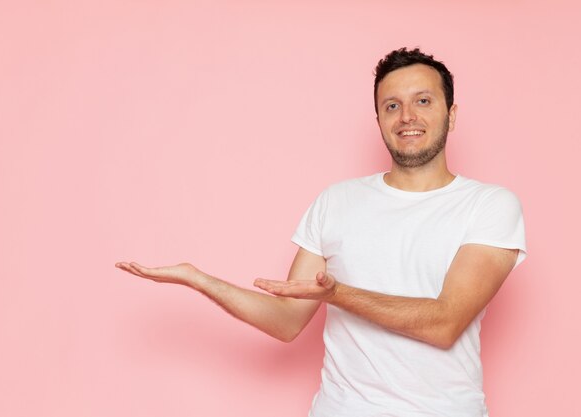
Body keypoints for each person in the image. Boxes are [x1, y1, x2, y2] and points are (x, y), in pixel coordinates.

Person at [116, 47, 526, 417]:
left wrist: (338, 294)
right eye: (392, 105)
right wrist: (199, 279)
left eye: (423, 101)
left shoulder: (489, 206)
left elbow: (444, 322)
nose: (407, 117)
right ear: (379, 119)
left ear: (451, 115)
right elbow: (286, 321)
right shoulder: (337, 201)